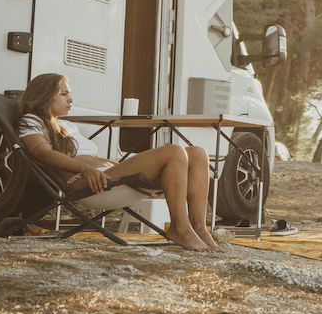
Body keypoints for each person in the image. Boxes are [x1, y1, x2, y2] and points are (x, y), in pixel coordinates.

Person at [17, 72, 221, 252]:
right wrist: (86, 169)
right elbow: (43, 154)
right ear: (44, 96)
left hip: (108, 176)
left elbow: (93, 158)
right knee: (175, 151)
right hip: (87, 184)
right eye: (64, 94)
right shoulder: (32, 120)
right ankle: (180, 228)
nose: (71, 99)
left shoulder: (66, 125)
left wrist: (112, 165)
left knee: (198, 154)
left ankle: (199, 227)